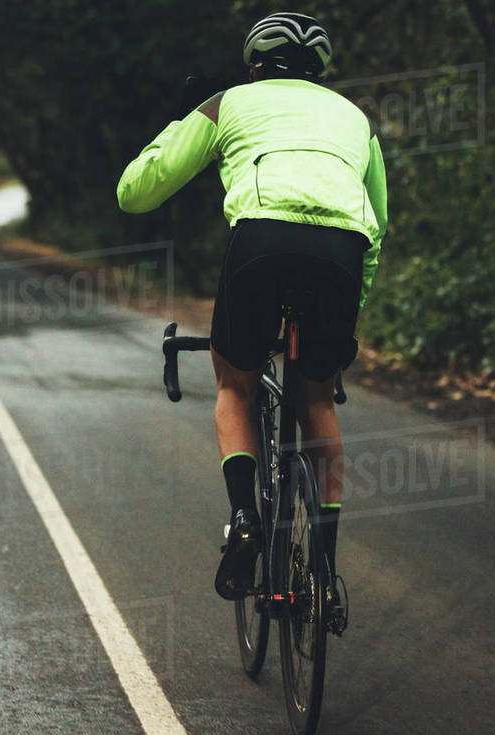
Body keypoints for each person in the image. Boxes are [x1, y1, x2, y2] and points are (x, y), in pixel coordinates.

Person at [116, 12, 388, 628]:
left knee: (235, 381)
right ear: (320, 70)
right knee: (317, 398)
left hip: (260, 246)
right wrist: (351, 311)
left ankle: (245, 519)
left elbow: (134, 192)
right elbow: (378, 221)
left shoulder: (228, 103)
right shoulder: (356, 120)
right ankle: (322, 566)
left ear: (255, 64)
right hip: (341, 255)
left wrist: (185, 120)